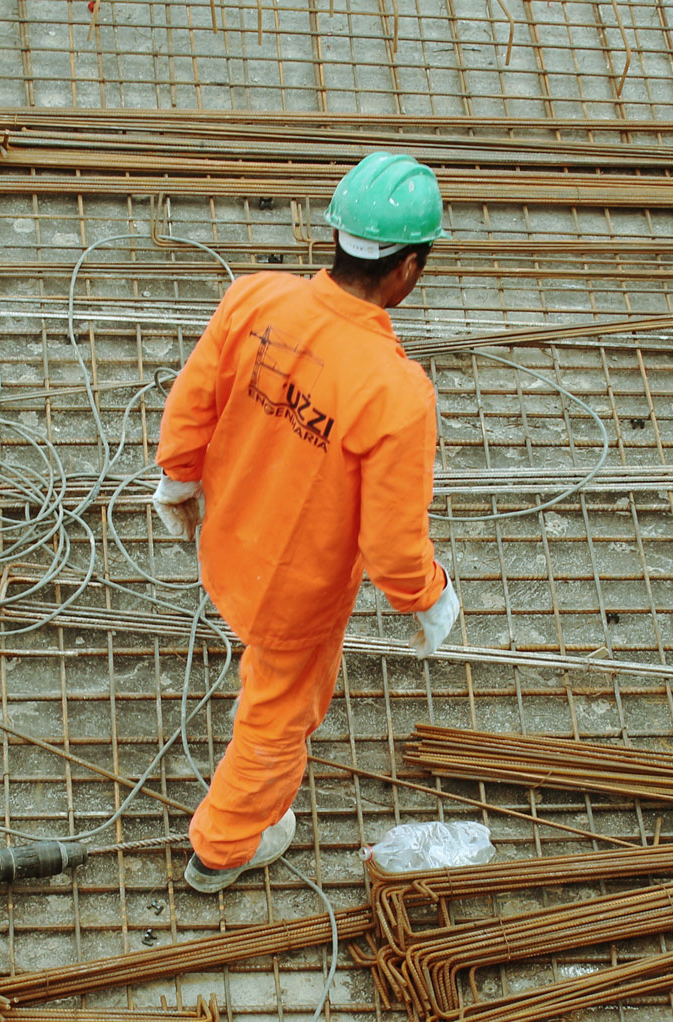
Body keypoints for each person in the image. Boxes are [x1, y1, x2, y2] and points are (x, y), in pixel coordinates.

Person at [152, 151, 461, 894]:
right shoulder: (397, 394)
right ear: (408, 270)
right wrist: (428, 596)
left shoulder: (255, 299)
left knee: (264, 679)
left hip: (226, 540)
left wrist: (176, 479)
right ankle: (222, 848)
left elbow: (192, 400)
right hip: (294, 591)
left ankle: (233, 830)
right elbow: (391, 545)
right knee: (276, 718)